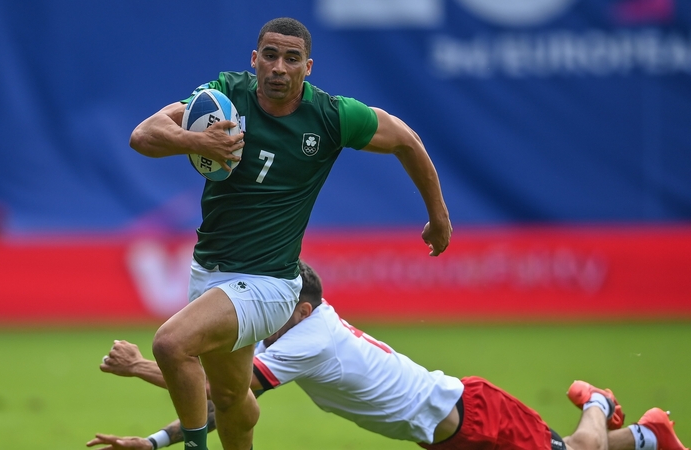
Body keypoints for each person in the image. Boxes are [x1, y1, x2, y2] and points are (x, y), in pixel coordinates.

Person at [128, 16, 452, 450]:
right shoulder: (225, 94)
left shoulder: (332, 116)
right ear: (255, 59)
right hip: (209, 272)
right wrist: (197, 142)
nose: (279, 67)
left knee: (170, 344)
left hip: (271, 285)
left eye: (292, 58)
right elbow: (143, 135)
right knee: (230, 400)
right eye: (271, 55)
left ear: (308, 67)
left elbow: (404, 140)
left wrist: (439, 216)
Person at [88, 262, 688, 450]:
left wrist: (144, 365)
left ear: (300, 306)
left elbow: (226, 395)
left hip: (466, 416)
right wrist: (156, 442)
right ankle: (649, 436)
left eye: (276, 304)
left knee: (579, 449)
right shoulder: (302, 336)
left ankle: (598, 401)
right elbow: (227, 404)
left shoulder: (308, 337)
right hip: (447, 430)